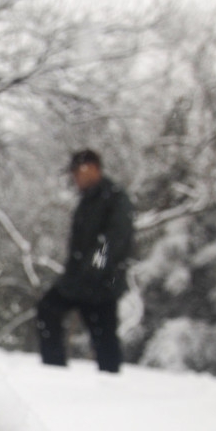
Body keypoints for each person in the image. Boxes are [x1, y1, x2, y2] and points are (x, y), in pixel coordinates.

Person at [36, 149, 135, 373]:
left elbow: (113, 241)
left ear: (94, 169)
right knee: (48, 309)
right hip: (79, 280)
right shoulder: (88, 200)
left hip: (102, 284)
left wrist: (94, 270)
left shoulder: (115, 198)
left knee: (103, 335)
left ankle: (111, 385)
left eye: (78, 172)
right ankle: (54, 370)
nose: (76, 178)